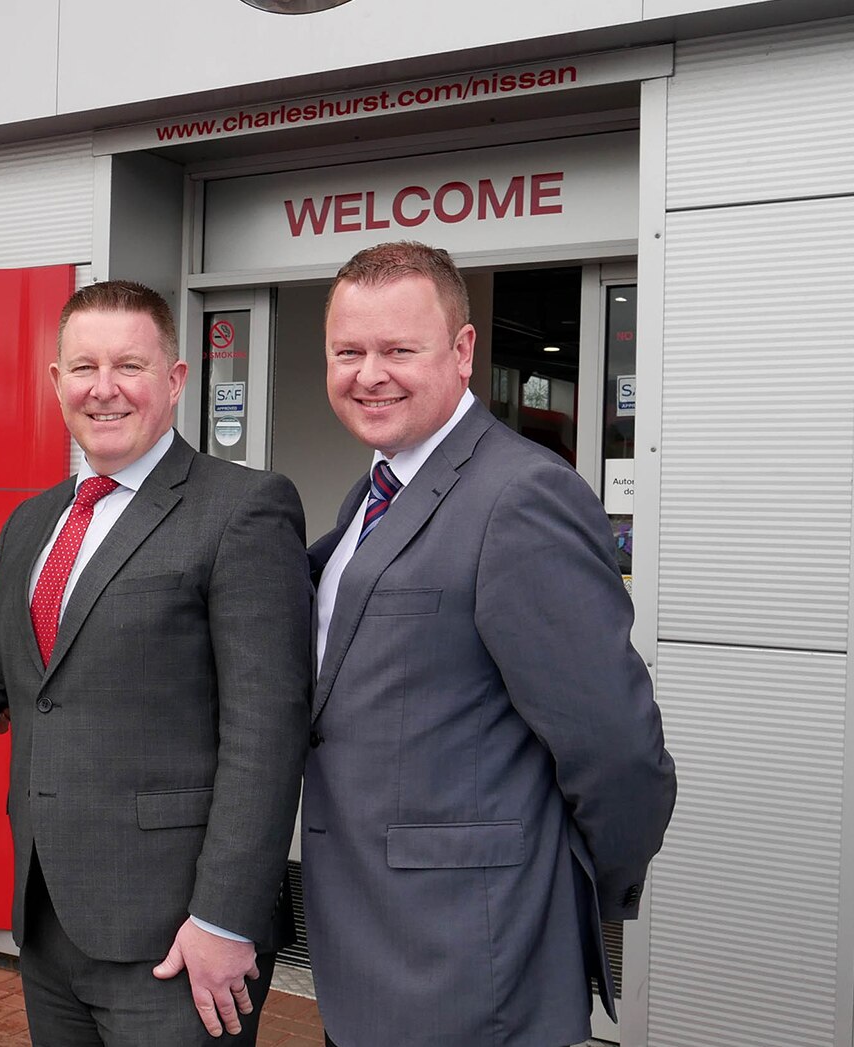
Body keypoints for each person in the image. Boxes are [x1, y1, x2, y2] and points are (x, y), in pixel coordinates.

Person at [0, 280, 314, 1045]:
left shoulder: (242, 508)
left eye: (129, 365)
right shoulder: (34, 521)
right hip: (49, 921)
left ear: (175, 378)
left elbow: (267, 733)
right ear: (56, 381)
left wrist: (224, 918)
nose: (104, 388)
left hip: (178, 937)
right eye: (83, 367)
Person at [305, 241, 677, 1047]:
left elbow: (618, 751)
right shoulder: (369, 494)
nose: (370, 373)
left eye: (399, 349)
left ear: (463, 350)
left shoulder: (521, 496)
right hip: (367, 956)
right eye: (348, 351)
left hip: (471, 970)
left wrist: (566, 888)